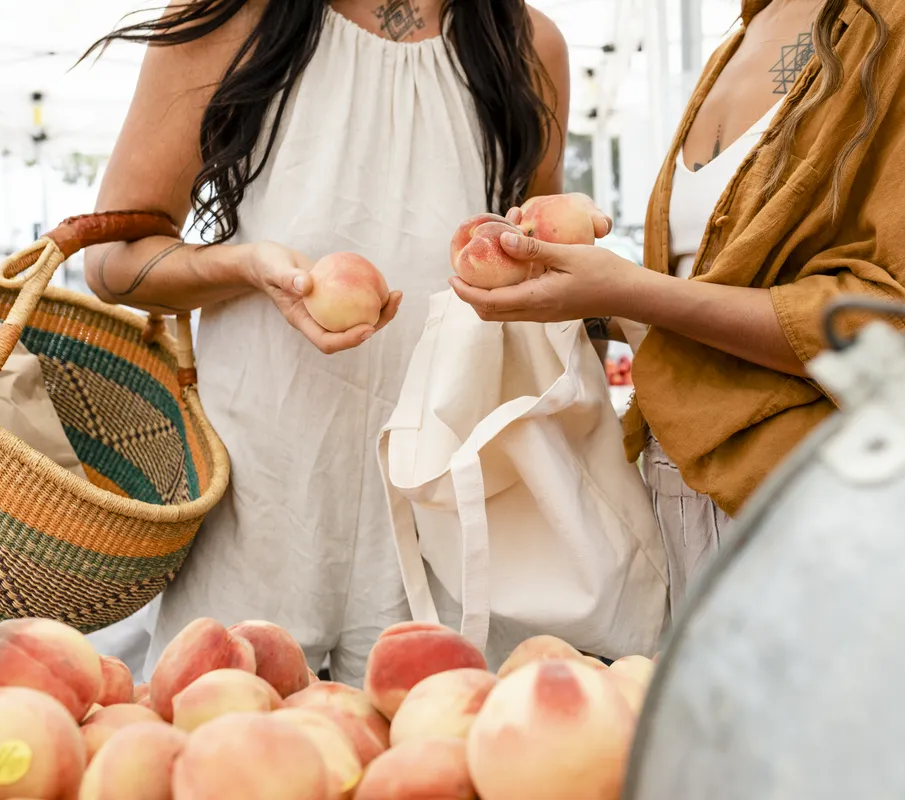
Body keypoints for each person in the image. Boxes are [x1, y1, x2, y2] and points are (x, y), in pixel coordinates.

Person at [450, 0, 905, 620]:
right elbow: (699, 299)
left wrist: (626, 290)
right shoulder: (750, 26)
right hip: (683, 488)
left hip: (820, 505)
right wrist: (585, 297)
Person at [81, 0, 585, 684]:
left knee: (430, 764)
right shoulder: (229, 20)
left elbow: (536, 256)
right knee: (234, 754)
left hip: (448, 502)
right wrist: (244, 266)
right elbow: (112, 263)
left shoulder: (528, 45)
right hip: (261, 494)